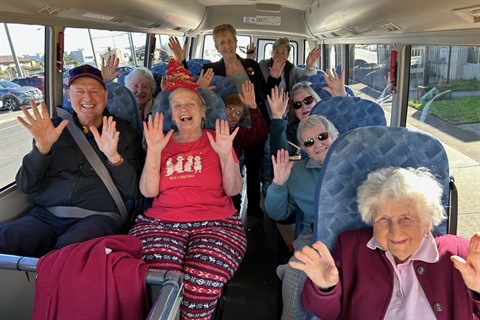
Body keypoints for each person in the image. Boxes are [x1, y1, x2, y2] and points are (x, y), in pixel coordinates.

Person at [128, 60, 247, 320]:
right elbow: (148, 193)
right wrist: (155, 152)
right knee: (164, 280)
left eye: (190, 103)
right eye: (176, 105)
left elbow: (234, 189)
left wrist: (226, 155)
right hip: (161, 222)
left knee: (201, 279)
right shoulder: (160, 142)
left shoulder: (218, 140)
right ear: (171, 114)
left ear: (203, 111)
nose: (184, 109)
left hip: (218, 222)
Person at [291, 167, 480, 320]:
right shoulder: (352, 247)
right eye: (383, 219)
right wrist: (326, 288)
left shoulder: (460, 254)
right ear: (371, 218)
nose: (395, 231)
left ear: (426, 221)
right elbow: (326, 312)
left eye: (406, 218)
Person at [0, 65, 145, 258]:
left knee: (71, 253)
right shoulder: (51, 129)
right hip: (46, 215)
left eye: (94, 91)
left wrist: (114, 158)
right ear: (69, 96)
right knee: (5, 238)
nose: (87, 98)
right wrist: (41, 149)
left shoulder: (125, 132)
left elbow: (133, 192)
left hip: (98, 216)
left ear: (105, 96)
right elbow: (27, 186)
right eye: (80, 92)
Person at [201, 23, 282, 220]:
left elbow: (264, 91)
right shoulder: (210, 69)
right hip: (227, 125)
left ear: (236, 42)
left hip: (252, 121)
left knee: (254, 168)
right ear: (217, 46)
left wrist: (275, 78)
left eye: (230, 40)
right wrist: (200, 88)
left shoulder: (251, 65)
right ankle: (232, 204)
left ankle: (254, 206)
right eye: (222, 42)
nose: (227, 45)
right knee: (229, 166)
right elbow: (201, 101)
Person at [264, 114, 340, 320]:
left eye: (322, 136)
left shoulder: (358, 165)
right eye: (309, 142)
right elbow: (278, 213)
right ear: (304, 149)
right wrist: (278, 184)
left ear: (335, 135)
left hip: (357, 232)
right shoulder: (297, 172)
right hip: (314, 235)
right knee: (296, 273)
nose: (318, 144)